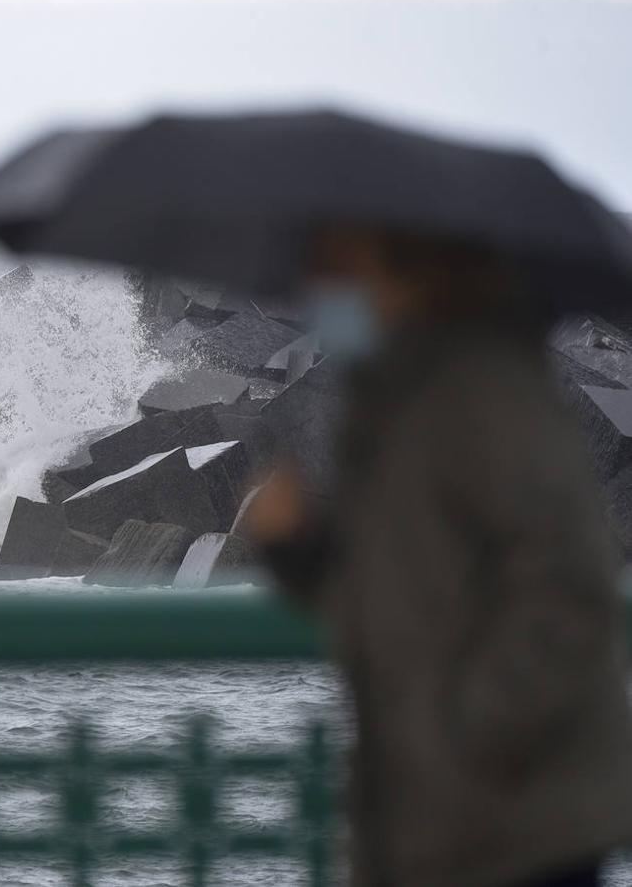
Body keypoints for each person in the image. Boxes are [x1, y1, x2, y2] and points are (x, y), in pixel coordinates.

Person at [246, 226, 632, 887]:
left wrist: (452, 733)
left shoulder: (493, 395)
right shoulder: (397, 402)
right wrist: (298, 552)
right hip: (441, 822)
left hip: (521, 826)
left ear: (407, 276)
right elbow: (395, 597)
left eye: (341, 266)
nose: (320, 289)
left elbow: (566, 600)